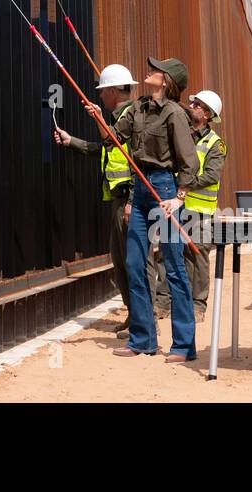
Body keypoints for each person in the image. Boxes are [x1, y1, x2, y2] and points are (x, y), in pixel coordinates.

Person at [97, 57, 199, 363]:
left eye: (155, 70)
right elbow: (112, 140)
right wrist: (97, 117)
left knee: (174, 264)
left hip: (164, 189)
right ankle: (143, 340)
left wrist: (179, 197)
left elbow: (189, 163)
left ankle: (183, 345)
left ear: (166, 81)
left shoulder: (174, 114)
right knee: (134, 262)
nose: (149, 71)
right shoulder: (138, 108)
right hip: (140, 191)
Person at [53, 63, 137, 336]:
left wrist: (132, 202)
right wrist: (71, 141)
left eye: (103, 91)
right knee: (120, 260)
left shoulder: (132, 119)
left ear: (112, 91)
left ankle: (140, 320)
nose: (100, 96)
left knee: (131, 262)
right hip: (118, 199)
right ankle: (134, 315)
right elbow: (105, 149)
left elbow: (141, 164)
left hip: (128, 200)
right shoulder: (119, 119)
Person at [151, 89, 225, 323]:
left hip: (200, 211)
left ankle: (197, 305)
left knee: (197, 256)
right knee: (166, 252)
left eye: (196, 104)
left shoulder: (215, 144)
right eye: (192, 102)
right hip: (175, 205)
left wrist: (185, 185)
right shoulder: (181, 134)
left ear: (206, 114)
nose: (190, 105)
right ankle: (163, 303)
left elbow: (212, 175)